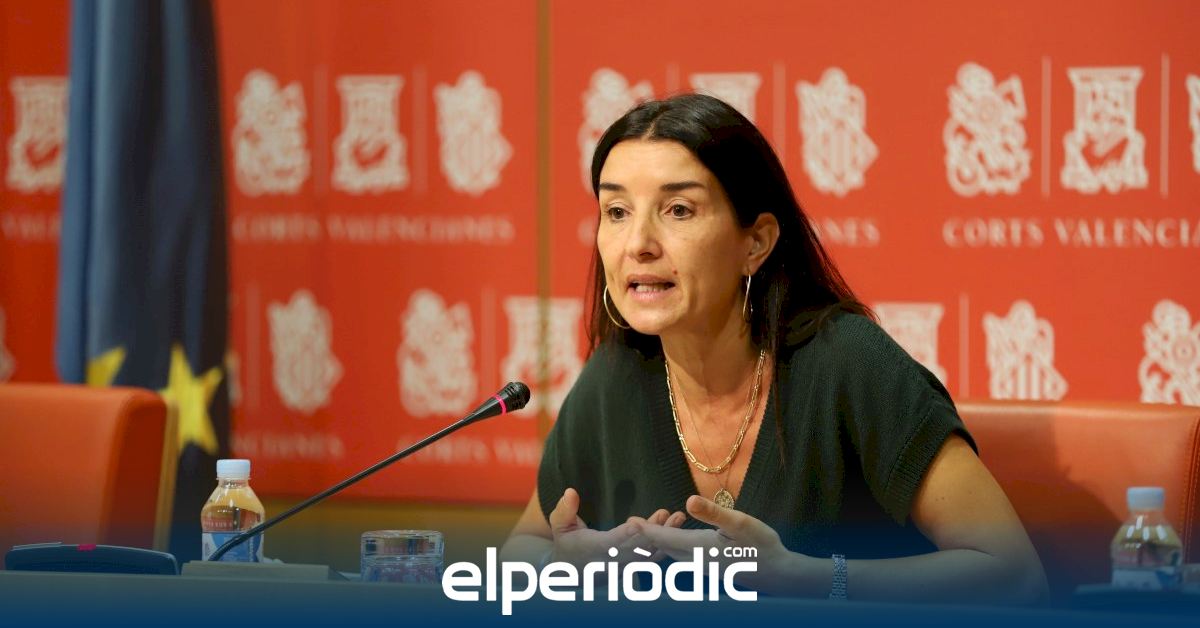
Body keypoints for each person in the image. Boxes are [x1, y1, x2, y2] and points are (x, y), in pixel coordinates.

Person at [501, 93, 1047, 604]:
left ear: (756, 242)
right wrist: (561, 567)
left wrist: (801, 576)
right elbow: (520, 554)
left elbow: (1017, 575)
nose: (638, 243)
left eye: (679, 210)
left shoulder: (847, 363)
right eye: (617, 211)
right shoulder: (616, 377)